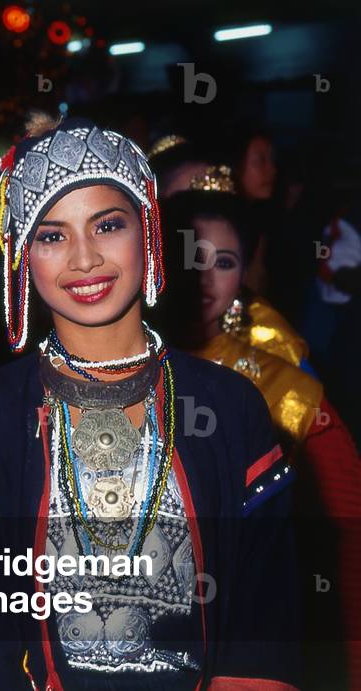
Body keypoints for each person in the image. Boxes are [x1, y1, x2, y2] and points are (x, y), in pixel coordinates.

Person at [0, 116, 298, 690]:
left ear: (149, 229)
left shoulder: (230, 407)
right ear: (21, 255)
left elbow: (265, 630)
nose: (84, 259)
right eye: (52, 235)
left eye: (107, 225)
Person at [162, 170, 361, 690]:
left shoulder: (286, 390)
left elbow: (347, 546)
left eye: (224, 263)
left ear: (243, 276)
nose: (202, 278)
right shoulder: (102, 367)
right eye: (186, 256)